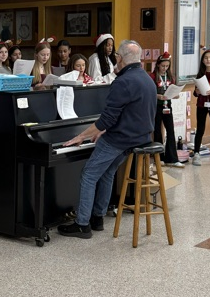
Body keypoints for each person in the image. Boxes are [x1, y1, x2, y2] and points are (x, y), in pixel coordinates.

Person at [58, 40, 156, 239]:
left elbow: (107, 119)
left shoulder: (123, 82)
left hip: (120, 139)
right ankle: (98, 217)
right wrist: (101, 130)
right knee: (108, 172)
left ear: (120, 58)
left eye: (117, 57)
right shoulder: (146, 78)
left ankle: (82, 224)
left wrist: (81, 136)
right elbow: (129, 113)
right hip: (139, 137)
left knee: (88, 175)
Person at [151, 52, 184, 167]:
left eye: (167, 66)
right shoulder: (153, 76)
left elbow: (174, 90)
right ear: (158, 65)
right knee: (157, 131)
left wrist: (176, 95)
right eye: (163, 66)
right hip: (156, 106)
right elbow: (149, 92)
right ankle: (158, 158)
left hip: (167, 106)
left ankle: (172, 158)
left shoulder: (170, 77)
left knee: (170, 130)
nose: (165, 68)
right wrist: (157, 96)